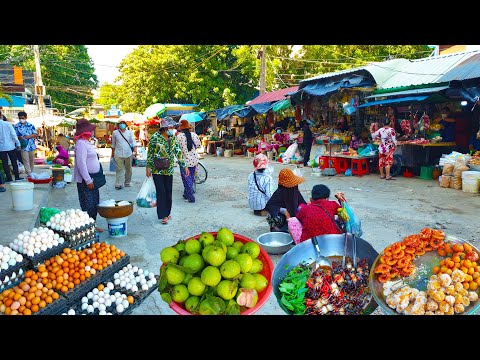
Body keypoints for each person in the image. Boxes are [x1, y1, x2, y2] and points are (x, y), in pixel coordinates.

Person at [146, 117, 189, 225]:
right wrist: (148, 167)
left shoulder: (172, 138)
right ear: (165, 127)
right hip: (157, 170)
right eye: (171, 126)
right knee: (161, 192)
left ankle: (167, 212)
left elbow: (178, 152)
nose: (173, 128)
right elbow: (150, 153)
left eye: (173, 126)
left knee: (168, 191)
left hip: (168, 169)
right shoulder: (155, 137)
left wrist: (184, 166)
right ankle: (163, 215)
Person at [73, 119, 103, 232]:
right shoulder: (80, 143)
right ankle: (88, 228)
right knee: (88, 205)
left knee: (95, 203)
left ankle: (92, 225)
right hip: (86, 180)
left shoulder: (86, 142)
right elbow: (81, 163)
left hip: (92, 178)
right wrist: (88, 180)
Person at [264, 168, 306, 232]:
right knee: (271, 216)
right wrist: (284, 211)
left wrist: (300, 208)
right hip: (282, 219)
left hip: (296, 217)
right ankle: (277, 230)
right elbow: (270, 206)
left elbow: (302, 203)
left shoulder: (295, 190)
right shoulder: (279, 192)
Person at [176, 119, 201, 203]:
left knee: (186, 179)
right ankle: (186, 193)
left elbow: (176, 149)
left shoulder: (179, 136)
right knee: (191, 178)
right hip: (194, 160)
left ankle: (191, 197)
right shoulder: (194, 135)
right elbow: (198, 145)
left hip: (184, 162)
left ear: (181, 127)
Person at [111, 120, 136, 190]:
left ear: (126, 125)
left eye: (123, 124)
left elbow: (133, 141)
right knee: (119, 169)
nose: (122, 125)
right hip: (118, 154)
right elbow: (113, 144)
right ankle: (119, 183)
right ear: (118, 125)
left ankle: (127, 182)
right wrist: (112, 154)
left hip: (128, 153)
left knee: (128, 169)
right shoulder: (115, 133)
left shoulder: (129, 133)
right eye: (120, 124)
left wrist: (135, 150)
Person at [13, 111, 38, 176]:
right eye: (20, 118)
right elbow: (14, 136)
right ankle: (29, 174)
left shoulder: (31, 125)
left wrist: (29, 136)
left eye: (23, 118)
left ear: (26, 117)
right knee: (25, 160)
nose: (21, 119)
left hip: (31, 145)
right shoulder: (16, 126)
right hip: (23, 146)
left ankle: (31, 172)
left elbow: (35, 134)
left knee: (31, 160)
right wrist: (19, 137)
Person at [0, 117, 23, 182]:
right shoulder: (8, 124)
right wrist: (18, 144)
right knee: (14, 162)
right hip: (10, 146)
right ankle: (17, 177)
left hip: (1, 148)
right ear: (1, 115)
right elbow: (13, 135)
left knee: (5, 163)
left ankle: (9, 178)